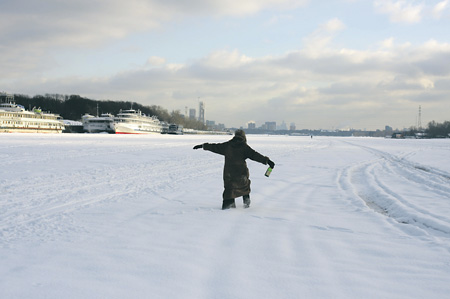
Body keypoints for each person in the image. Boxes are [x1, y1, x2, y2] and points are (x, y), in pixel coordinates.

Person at [193, 130, 275, 210]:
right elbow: (255, 155)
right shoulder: (244, 147)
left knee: (229, 191)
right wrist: (267, 161)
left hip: (229, 174)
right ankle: (247, 206)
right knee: (245, 188)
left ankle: (229, 208)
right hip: (241, 173)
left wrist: (202, 146)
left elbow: (215, 147)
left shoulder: (228, 145)